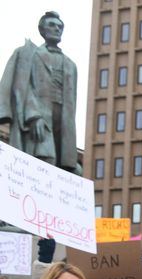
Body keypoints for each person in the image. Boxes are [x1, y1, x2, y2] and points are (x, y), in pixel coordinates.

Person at [0, 11, 80, 174]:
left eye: (60, 26)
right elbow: (23, 87)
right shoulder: (29, 54)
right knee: (45, 156)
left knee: (70, 168)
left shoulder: (71, 65)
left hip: (63, 122)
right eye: (52, 25)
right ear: (42, 30)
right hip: (39, 116)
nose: (57, 29)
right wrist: (33, 115)